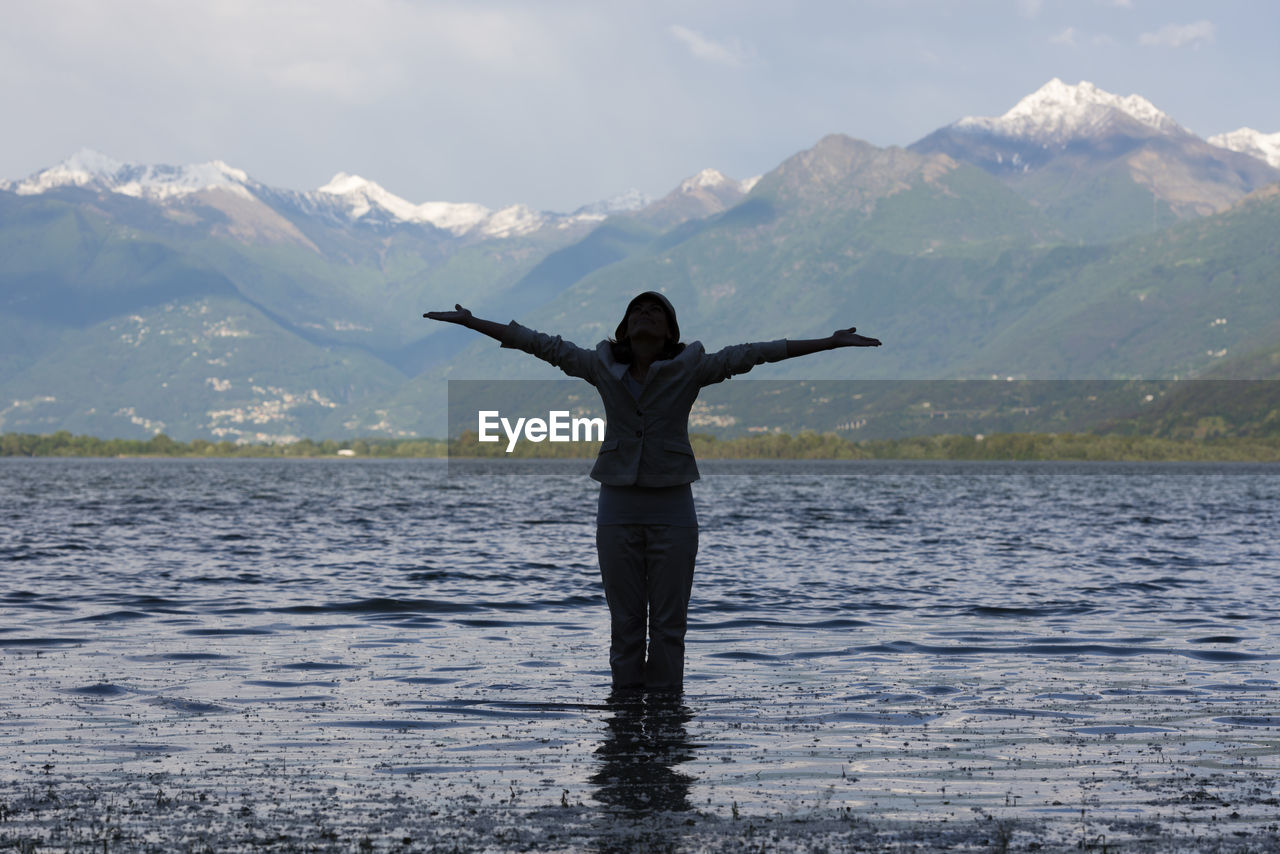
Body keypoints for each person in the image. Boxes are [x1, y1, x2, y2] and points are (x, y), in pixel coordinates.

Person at [425, 292, 880, 695]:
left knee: (668, 625)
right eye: (637, 310)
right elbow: (541, 344)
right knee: (625, 622)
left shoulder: (692, 368)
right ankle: (624, 708)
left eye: (655, 311)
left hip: (673, 506)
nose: (645, 314)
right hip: (617, 505)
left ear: (669, 333)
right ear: (624, 329)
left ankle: (664, 711)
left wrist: (830, 342)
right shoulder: (600, 366)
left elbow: (758, 353)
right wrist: (472, 322)